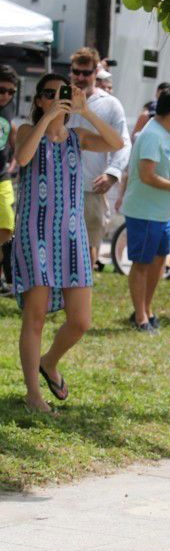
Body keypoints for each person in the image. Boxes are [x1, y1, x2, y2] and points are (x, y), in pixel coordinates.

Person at [12, 74, 123, 412]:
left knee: (81, 320)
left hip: (71, 237)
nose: (56, 97)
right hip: (36, 234)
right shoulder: (27, 131)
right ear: (38, 99)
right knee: (35, 317)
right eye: (49, 93)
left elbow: (116, 144)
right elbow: (24, 159)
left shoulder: (79, 137)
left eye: (62, 93)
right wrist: (47, 117)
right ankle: (33, 394)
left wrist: (86, 111)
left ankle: (49, 362)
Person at [122, 86, 170, 332]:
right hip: (144, 211)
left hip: (161, 212)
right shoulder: (152, 134)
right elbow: (146, 175)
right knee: (142, 264)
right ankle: (140, 317)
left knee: (158, 262)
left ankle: (146, 308)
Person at [69, 47, 130, 272]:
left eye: (86, 72)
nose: (80, 77)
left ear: (96, 72)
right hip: (58, 186)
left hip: (90, 186)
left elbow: (123, 142)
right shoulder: (59, 97)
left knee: (88, 249)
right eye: (76, 72)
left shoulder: (110, 103)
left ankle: (81, 297)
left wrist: (112, 173)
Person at [0, 64, 18, 295]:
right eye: (2, 90)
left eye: (10, 92)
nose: (5, 95)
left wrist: (14, 164)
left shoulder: (9, 109)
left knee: (7, 225)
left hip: (2, 176)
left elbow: (12, 133)